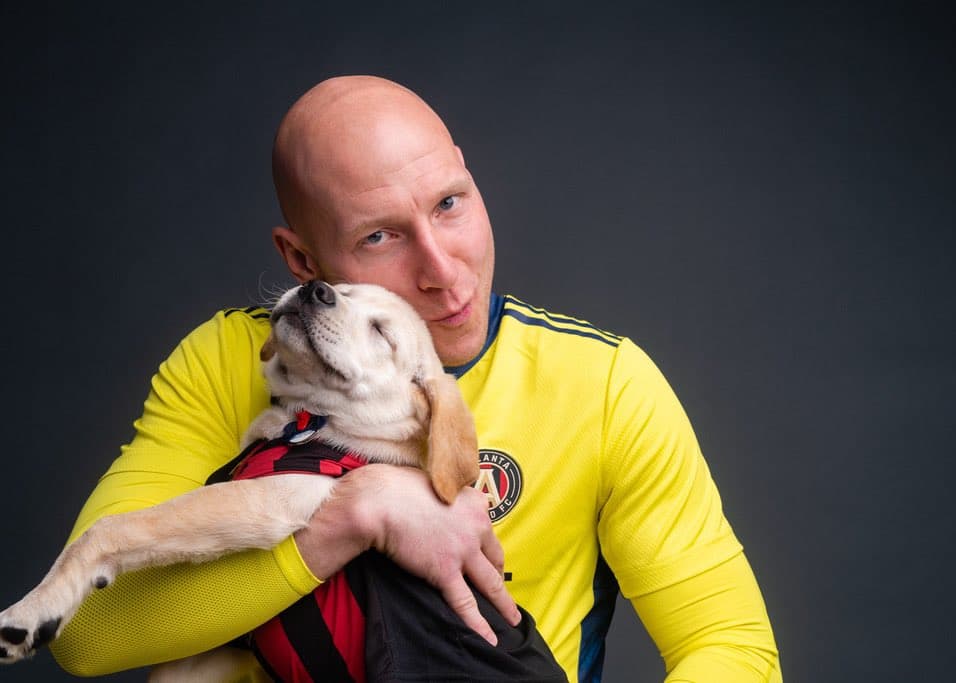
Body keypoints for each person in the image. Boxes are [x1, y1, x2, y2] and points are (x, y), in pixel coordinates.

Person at [49, 76, 781, 682]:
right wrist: (353, 511)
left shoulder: (601, 382)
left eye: (449, 204)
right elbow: (82, 632)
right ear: (301, 260)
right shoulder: (225, 362)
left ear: (467, 172)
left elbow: (733, 647)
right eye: (380, 236)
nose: (442, 269)